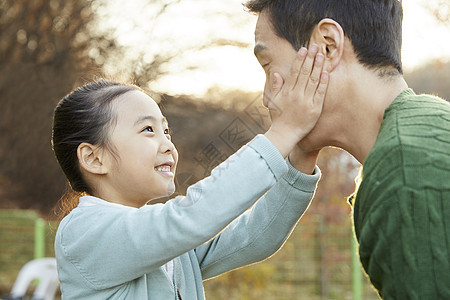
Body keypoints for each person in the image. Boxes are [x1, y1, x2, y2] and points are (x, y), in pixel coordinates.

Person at [51, 47, 328, 299]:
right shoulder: (83, 232)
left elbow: (254, 236)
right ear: (94, 158)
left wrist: (301, 154)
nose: (168, 144)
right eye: (148, 130)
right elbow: (194, 215)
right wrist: (284, 132)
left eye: (166, 130)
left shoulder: (167, 240)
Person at [244, 0, 450, 299]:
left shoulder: (405, 177)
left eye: (267, 66)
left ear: (327, 46)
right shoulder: (429, 122)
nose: (266, 97)